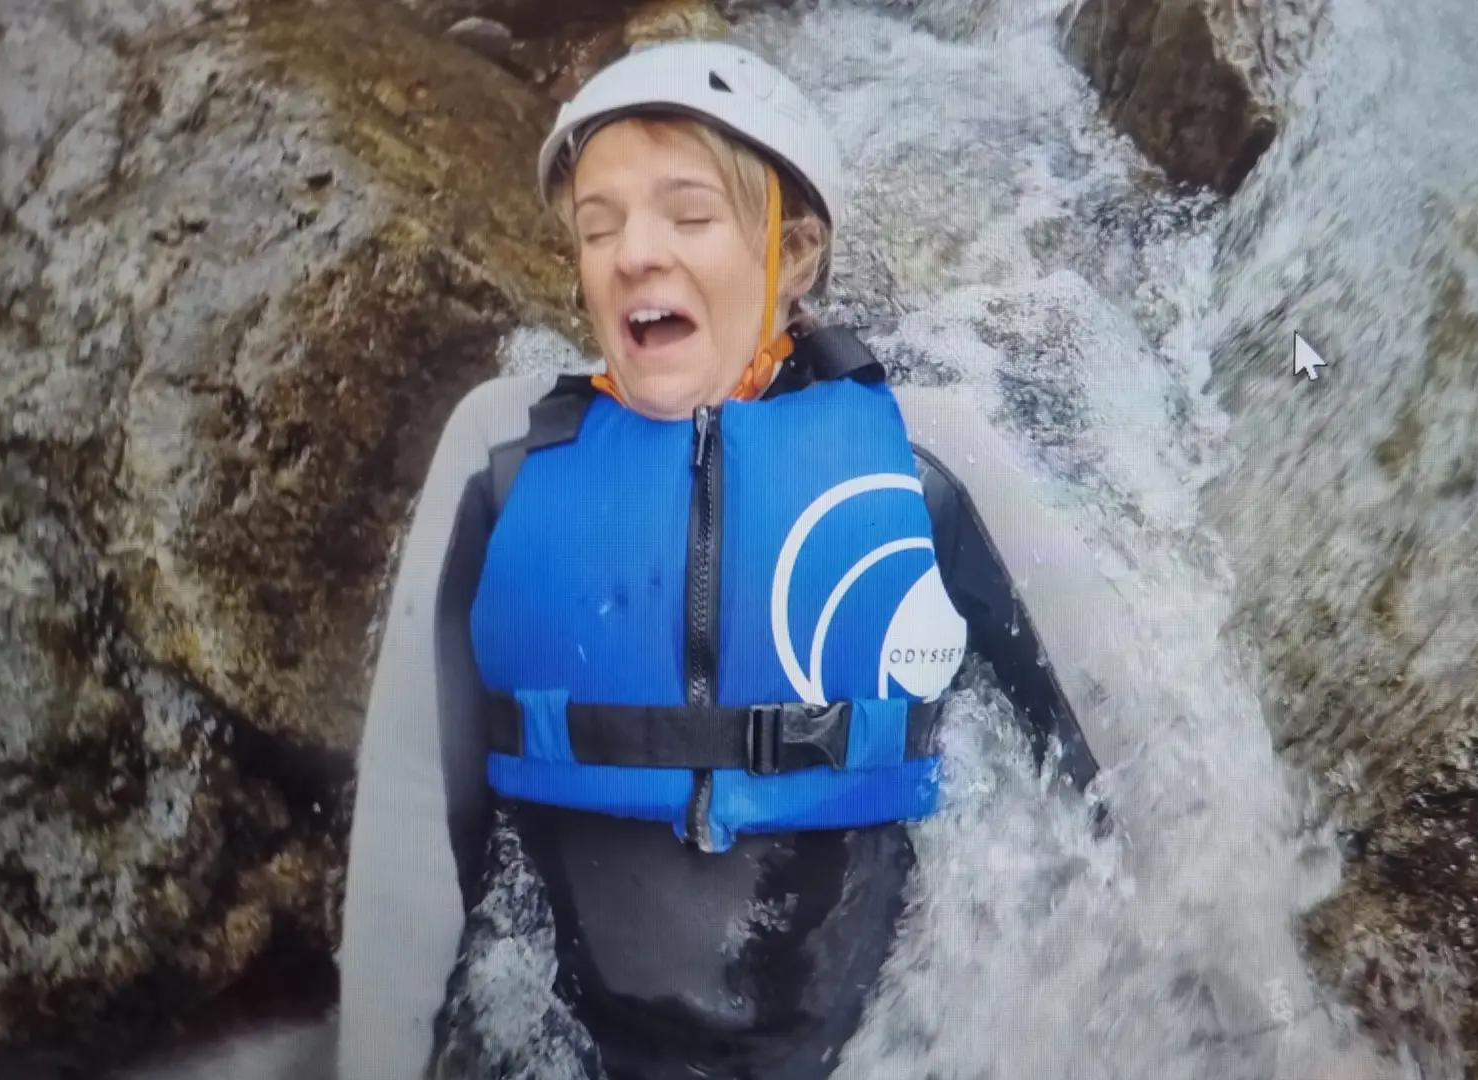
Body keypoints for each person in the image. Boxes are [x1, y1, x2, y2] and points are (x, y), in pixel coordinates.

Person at [336, 39, 1103, 1080]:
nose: (632, 254)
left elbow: (1125, 780)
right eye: (596, 227)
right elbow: (409, 825)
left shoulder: (928, 455)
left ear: (794, 256)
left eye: (688, 215)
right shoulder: (500, 453)